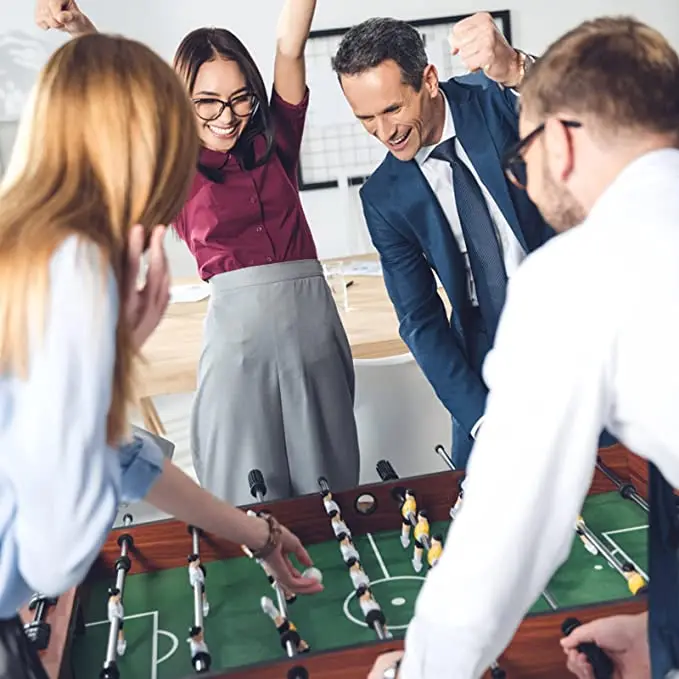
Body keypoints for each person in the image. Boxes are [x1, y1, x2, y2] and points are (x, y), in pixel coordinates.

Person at [0, 33, 321, 679]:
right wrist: (117, 355)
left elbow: (113, 450)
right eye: (184, 119)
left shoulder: (26, 240)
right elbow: (56, 555)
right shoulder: (79, 267)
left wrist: (253, 533)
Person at [367, 15, 679, 679]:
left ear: (560, 143)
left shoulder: (573, 273)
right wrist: (664, 631)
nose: (527, 183)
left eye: (523, 159)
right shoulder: (385, 194)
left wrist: (415, 672)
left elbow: (501, 543)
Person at [35, 0, 360, 505]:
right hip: (238, 345)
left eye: (240, 99)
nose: (227, 117)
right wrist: (78, 25)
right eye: (207, 102)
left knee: (332, 485)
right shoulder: (173, 165)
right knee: (247, 489)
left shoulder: (278, 141)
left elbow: (289, 42)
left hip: (315, 332)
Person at [331, 13, 553, 468]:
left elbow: (587, 115)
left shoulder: (494, 100)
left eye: (393, 109)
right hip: (484, 358)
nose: (384, 132)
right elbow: (420, 320)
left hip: (570, 327)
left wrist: (515, 66)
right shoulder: (383, 198)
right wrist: (481, 419)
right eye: (365, 118)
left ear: (429, 80)